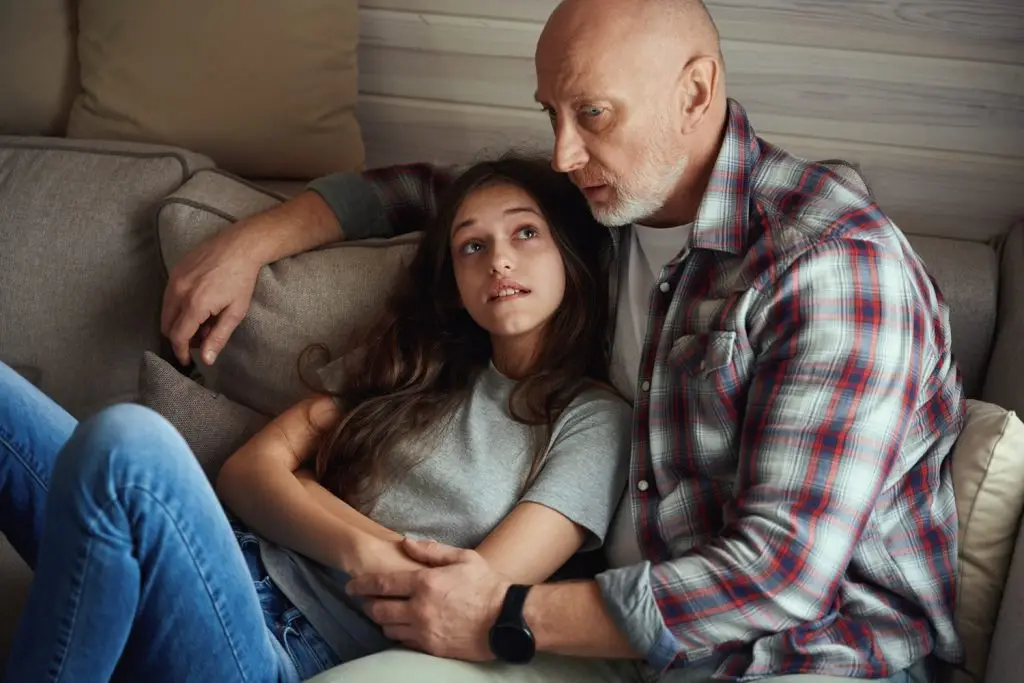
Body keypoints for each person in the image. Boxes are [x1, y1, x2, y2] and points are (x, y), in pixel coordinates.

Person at [161, 1, 967, 682]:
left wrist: (508, 613)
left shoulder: (830, 267)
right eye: (552, 114)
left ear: (696, 91)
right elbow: (424, 192)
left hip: (810, 656)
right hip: (614, 646)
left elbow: (780, 574)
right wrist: (254, 240)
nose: (563, 151)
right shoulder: (601, 209)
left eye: (592, 113)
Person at [0, 155, 633, 683]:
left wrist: (305, 492)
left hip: (274, 643)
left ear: (571, 255)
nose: (498, 260)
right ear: (456, 280)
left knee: (127, 445)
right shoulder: (420, 367)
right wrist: (361, 550)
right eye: (473, 245)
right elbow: (249, 472)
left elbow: (472, 593)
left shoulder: (593, 422)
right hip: (214, 560)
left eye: (526, 234)